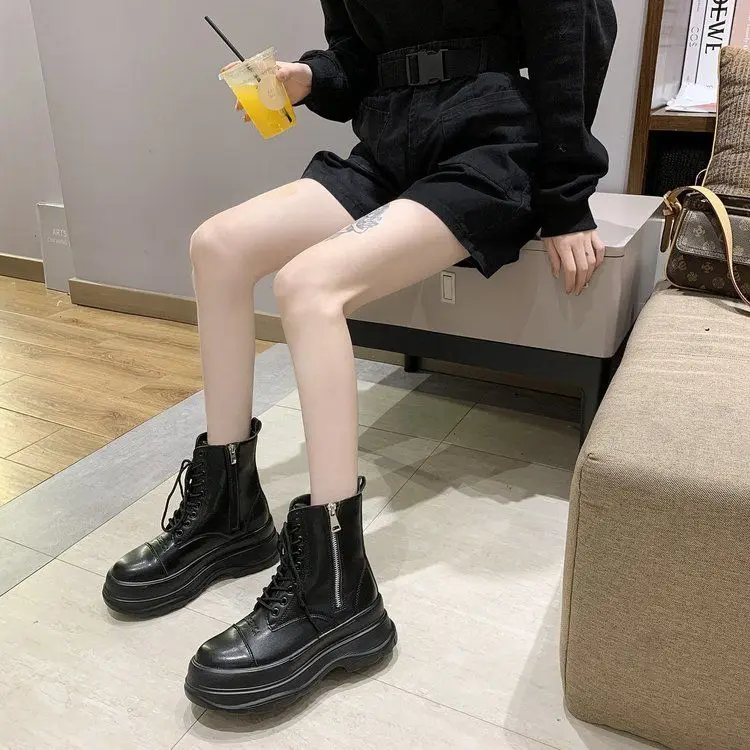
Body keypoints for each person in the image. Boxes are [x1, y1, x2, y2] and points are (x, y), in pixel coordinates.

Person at [103, 0, 617, 712]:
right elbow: (356, 62)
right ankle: (228, 510)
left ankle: (339, 591)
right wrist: (308, 79)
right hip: (389, 148)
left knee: (307, 285)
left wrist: (566, 200)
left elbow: (574, 32)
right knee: (215, 246)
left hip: (492, 146)